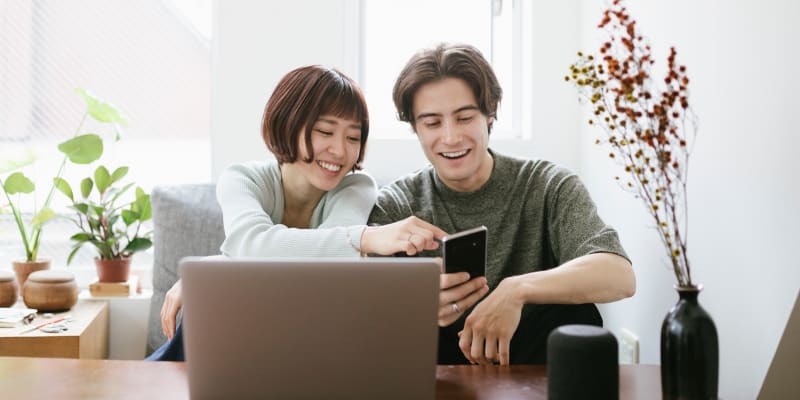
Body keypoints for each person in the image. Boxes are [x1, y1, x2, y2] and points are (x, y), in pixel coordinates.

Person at [148, 65, 445, 361]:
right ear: (288, 123)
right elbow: (253, 246)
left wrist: (214, 268)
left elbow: (323, 274)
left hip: (307, 346)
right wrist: (365, 238)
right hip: (237, 343)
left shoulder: (355, 187)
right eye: (325, 131)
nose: (340, 151)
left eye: (353, 138)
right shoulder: (242, 179)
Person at [368, 43, 636, 365]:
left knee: (575, 315)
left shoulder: (547, 184)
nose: (451, 137)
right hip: (439, 370)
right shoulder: (396, 204)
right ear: (415, 127)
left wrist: (517, 289)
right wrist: (414, 303)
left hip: (534, 363)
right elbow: (361, 307)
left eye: (464, 117)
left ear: (490, 111)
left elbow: (619, 275)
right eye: (432, 123)